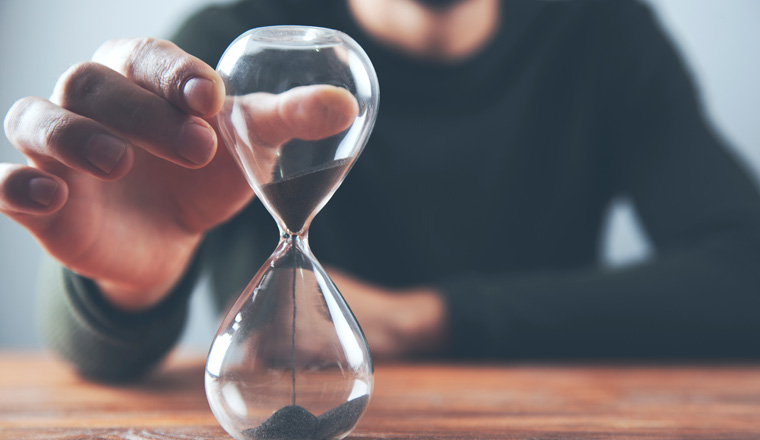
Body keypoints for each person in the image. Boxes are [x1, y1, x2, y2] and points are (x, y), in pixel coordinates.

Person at [2, 0, 760, 382]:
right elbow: (99, 366)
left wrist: (425, 321)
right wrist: (120, 286)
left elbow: (745, 273)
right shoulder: (242, 48)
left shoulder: (601, 33)